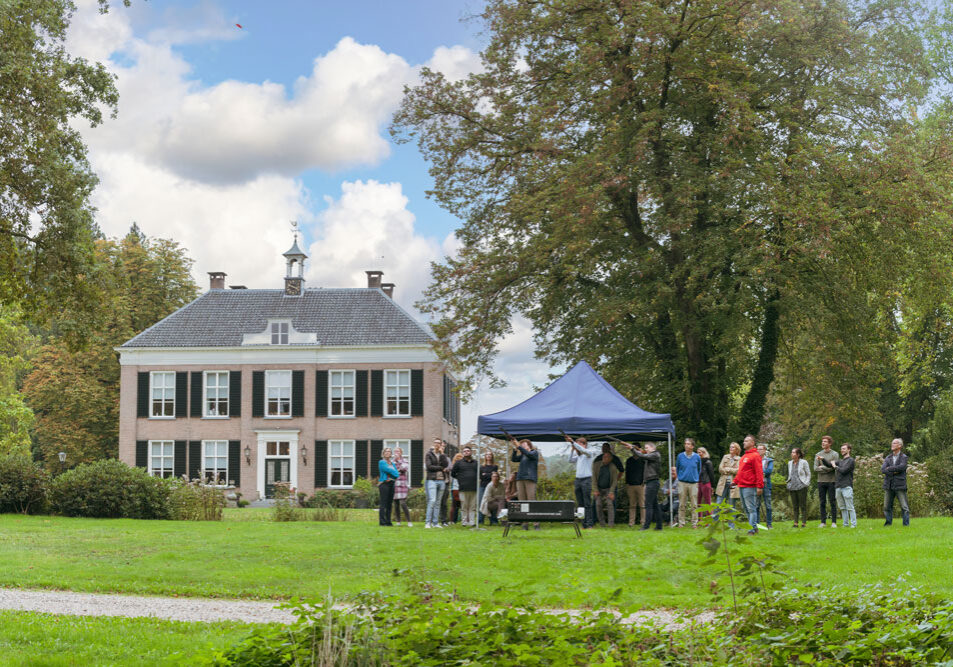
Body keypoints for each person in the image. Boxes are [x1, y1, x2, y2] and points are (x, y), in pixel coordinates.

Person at [566, 434, 600, 529]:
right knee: (580, 504)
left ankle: (590, 524)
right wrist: (573, 449)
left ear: (584, 445)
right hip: (578, 480)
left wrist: (572, 442)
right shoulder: (579, 456)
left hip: (586, 480)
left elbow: (583, 451)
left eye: (580, 444)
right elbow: (570, 460)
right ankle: (583, 524)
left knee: (587, 503)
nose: (578, 446)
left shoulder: (589, 453)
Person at [629, 442, 662, 530]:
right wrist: (636, 450)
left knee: (648, 504)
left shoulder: (655, 455)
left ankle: (646, 526)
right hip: (651, 482)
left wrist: (632, 449)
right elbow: (643, 455)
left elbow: (642, 456)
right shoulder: (652, 455)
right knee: (654, 505)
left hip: (652, 482)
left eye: (647, 448)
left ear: (652, 448)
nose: (646, 449)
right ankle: (659, 526)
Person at [734, 435, 764, 535]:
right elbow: (741, 472)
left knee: (751, 508)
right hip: (742, 486)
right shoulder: (744, 456)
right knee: (746, 509)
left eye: (746, 441)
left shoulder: (755, 456)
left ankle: (751, 529)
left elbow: (759, 472)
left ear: (752, 443)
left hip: (750, 486)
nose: (744, 443)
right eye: (744, 441)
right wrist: (735, 481)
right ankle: (754, 527)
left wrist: (760, 486)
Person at [823, 442, 856, 528]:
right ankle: (845, 524)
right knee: (842, 507)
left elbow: (844, 471)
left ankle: (853, 524)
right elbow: (829, 464)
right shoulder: (840, 461)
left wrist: (835, 466)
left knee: (849, 507)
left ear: (849, 450)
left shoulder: (851, 460)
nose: (842, 450)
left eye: (844, 449)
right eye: (841, 449)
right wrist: (822, 459)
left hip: (847, 486)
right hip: (838, 487)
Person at [511, 438, 541, 529]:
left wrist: (519, 447)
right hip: (520, 479)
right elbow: (514, 459)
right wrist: (515, 450)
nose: (522, 446)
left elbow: (528, 454)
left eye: (524, 444)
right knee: (522, 501)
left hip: (530, 479)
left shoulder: (534, 452)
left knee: (531, 500)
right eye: (521, 444)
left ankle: (536, 524)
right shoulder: (523, 455)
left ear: (529, 445)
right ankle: (525, 523)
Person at [882, 438, 910, 526]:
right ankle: (888, 523)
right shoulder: (888, 457)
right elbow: (883, 469)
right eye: (892, 443)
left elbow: (902, 467)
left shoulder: (904, 457)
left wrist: (889, 469)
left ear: (899, 446)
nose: (892, 444)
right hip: (889, 485)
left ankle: (906, 525)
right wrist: (894, 471)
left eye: (894, 443)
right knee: (886, 506)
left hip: (900, 485)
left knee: (904, 507)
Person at [814, 435, 840, 528]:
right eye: (822, 441)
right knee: (822, 502)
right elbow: (815, 468)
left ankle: (834, 522)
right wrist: (826, 468)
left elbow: (833, 468)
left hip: (831, 481)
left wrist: (823, 467)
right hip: (821, 481)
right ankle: (823, 522)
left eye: (825, 441)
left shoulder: (835, 454)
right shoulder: (818, 454)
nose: (823, 443)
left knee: (832, 501)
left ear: (830, 443)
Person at [676, 438, 701, 528]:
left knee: (694, 504)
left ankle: (694, 523)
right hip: (682, 482)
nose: (686, 445)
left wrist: (695, 478)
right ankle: (681, 523)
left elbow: (699, 469)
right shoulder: (680, 456)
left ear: (692, 446)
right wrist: (681, 477)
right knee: (682, 504)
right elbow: (677, 468)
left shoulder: (697, 457)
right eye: (685, 443)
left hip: (693, 483)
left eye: (688, 444)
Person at [424, 438, 450, 529]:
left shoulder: (442, 455)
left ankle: (435, 523)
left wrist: (442, 453)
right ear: (433, 444)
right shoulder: (429, 454)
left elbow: (446, 465)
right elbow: (429, 467)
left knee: (438, 502)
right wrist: (440, 468)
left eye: (439, 443)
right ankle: (428, 522)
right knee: (432, 500)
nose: (437, 444)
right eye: (436, 443)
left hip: (442, 480)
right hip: (432, 480)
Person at [591, 448, 620, 527]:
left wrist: (611, 492)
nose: (604, 458)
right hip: (599, 488)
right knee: (598, 504)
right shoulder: (596, 465)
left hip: (608, 488)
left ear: (610, 459)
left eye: (607, 457)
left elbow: (614, 481)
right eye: (604, 456)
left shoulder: (613, 467)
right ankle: (602, 523)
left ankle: (611, 524)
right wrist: (595, 490)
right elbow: (593, 479)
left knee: (610, 504)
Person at [452, 446, 479, 526]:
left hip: (474, 488)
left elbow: (479, 473)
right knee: (464, 506)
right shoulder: (458, 463)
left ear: (471, 452)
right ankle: (464, 522)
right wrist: (460, 478)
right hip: (463, 488)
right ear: (463, 453)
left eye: (468, 451)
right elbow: (453, 473)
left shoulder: (476, 463)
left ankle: (472, 522)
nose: (466, 452)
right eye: (465, 451)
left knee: (472, 506)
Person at [621, 442, 646, 527]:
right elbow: (627, 472)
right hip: (630, 485)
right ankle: (631, 522)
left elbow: (645, 472)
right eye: (633, 448)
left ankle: (643, 522)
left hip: (641, 485)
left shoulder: (643, 460)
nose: (634, 450)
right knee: (632, 505)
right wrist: (627, 483)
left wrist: (644, 482)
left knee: (642, 505)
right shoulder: (629, 460)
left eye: (636, 448)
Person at [786, 447, 811, 528]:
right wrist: (788, 482)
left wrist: (806, 483)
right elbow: (790, 474)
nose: (792, 454)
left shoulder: (804, 462)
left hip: (801, 486)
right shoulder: (790, 463)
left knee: (802, 505)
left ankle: (804, 523)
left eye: (793, 452)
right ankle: (795, 523)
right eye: (792, 452)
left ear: (798, 454)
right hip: (792, 486)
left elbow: (808, 474)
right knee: (795, 506)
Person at [377, 447, 400, 527]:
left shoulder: (393, 463)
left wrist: (393, 473)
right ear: (383, 453)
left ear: (391, 454)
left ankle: (388, 521)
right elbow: (388, 470)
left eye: (389, 451)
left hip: (391, 484)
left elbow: (397, 474)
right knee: (383, 503)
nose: (388, 453)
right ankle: (382, 522)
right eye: (386, 451)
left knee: (389, 503)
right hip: (384, 484)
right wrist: (393, 473)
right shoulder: (381, 462)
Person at [391, 446, 411, 527]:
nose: (396, 453)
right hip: (394, 484)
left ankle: (409, 521)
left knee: (402, 503)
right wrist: (397, 470)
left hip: (402, 484)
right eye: (395, 451)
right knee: (396, 504)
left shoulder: (405, 461)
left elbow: (404, 469)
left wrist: (397, 470)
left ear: (401, 453)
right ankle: (398, 521)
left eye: (398, 451)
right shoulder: (392, 462)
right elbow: (390, 470)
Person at [477, 452, 498, 525]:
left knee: (492, 503)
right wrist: (489, 474)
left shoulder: (495, 466)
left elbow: (494, 476)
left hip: (491, 487)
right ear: (485, 456)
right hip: (482, 486)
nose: (488, 456)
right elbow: (481, 477)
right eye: (487, 454)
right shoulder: (481, 467)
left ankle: (493, 521)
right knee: (481, 503)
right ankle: (480, 520)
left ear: (492, 456)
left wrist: (485, 474)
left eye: (490, 454)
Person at [756, 444, 774, 529]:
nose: (759, 451)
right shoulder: (755, 460)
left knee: (768, 505)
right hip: (756, 485)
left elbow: (769, 471)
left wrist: (759, 472)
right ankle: (757, 523)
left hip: (766, 485)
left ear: (764, 450)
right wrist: (762, 472)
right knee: (756, 505)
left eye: (760, 449)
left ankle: (769, 524)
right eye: (758, 449)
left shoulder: (769, 460)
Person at [696, 447, 715, 518]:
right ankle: (699, 520)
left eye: (700, 452)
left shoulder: (708, 462)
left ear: (704, 453)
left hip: (706, 483)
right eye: (697, 452)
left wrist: (712, 486)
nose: (698, 454)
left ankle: (709, 520)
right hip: (698, 483)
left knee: (708, 502)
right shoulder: (697, 462)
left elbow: (711, 475)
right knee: (698, 503)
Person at [449, 453, 463, 523]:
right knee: (461, 505)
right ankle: (460, 520)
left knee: (454, 505)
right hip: (458, 487)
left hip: (454, 488)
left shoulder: (452, 467)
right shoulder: (462, 467)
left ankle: (453, 520)